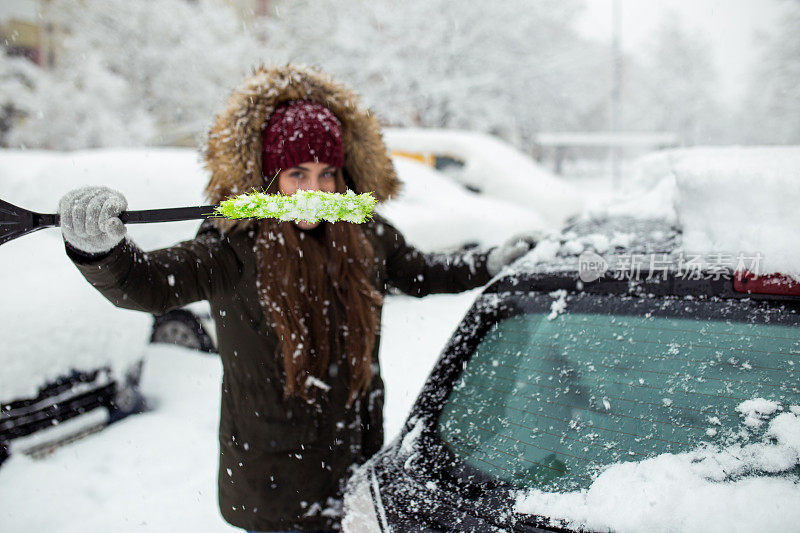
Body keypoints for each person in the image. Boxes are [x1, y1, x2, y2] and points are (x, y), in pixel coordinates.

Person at [57, 65, 532, 532]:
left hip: (355, 458)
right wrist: (102, 253)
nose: (314, 191)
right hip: (273, 477)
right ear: (268, 176)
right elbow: (149, 284)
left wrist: (487, 264)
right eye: (297, 174)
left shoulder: (364, 234)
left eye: (327, 175)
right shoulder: (233, 247)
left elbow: (421, 272)